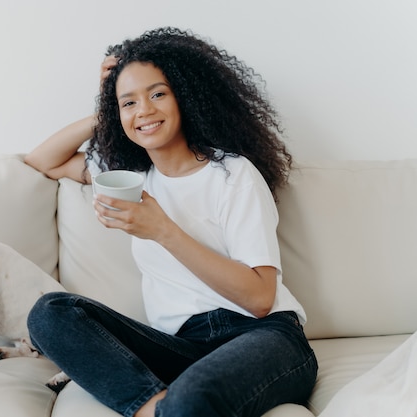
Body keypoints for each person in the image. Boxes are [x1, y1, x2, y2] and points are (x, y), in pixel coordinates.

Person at [24, 27, 317, 417]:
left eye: (158, 94)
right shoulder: (132, 178)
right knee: (50, 312)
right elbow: (44, 160)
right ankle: (156, 409)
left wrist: (162, 229)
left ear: (186, 96)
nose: (144, 110)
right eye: (130, 103)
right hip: (183, 346)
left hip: (265, 337)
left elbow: (261, 299)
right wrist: (109, 108)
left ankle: (176, 408)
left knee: (193, 396)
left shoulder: (232, 173)